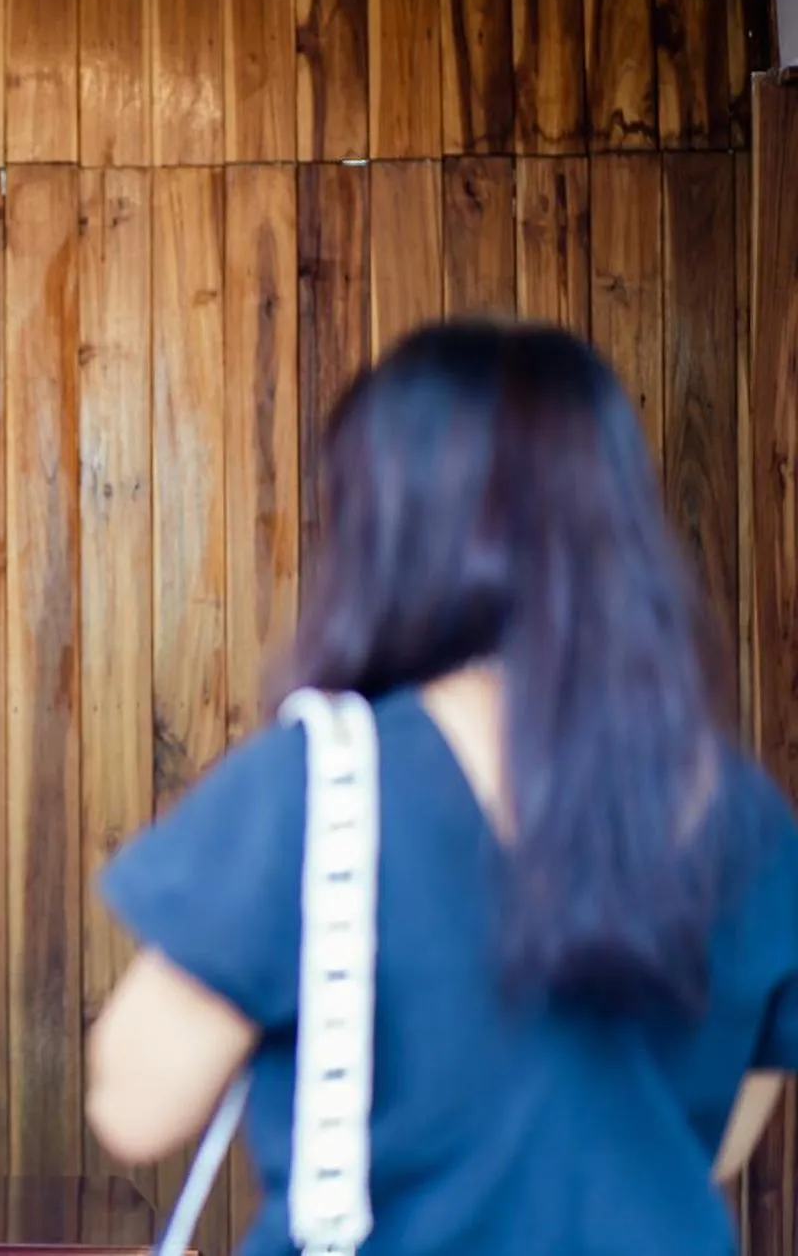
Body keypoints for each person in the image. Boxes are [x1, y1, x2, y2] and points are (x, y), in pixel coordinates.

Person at [86, 319, 798, 1255]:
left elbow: (136, 1106)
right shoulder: (748, 817)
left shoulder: (321, 785)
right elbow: (708, 1145)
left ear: (386, 526)